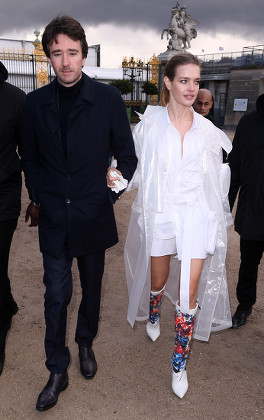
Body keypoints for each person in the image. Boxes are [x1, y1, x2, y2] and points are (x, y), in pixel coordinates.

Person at [21, 15, 137, 412]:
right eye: (57, 53)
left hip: (93, 215)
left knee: (92, 290)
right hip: (55, 218)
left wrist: (109, 196)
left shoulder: (108, 100)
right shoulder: (34, 104)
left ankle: (85, 341)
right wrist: (41, 194)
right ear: (49, 57)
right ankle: (57, 367)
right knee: (55, 296)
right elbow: (30, 159)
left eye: (72, 52)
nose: (65, 61)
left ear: (84, 55)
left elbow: (128, 156)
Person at [124, 52, 232, 398]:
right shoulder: (149, 126)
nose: (191, 88)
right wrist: (116, 177)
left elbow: (218, 180)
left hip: (195, 216)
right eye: (184, 80)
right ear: (168, 82)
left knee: (189, 293)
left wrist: (217, 220)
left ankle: (178, 364)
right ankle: (154, 310)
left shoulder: (209, 132)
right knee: (158, 278)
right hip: (162, 212)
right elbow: (136, 168)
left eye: (196, 81)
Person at [228, 93, 264, 328]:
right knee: (248, 263)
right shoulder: (249, 122)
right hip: (253, 208)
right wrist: (225, 207)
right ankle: (244, 306)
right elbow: (235, 168)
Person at [0, 62, 25, 375]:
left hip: (3, 195)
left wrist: (35, 198)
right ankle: (7, 303)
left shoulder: (16, 99)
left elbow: (29, 151)